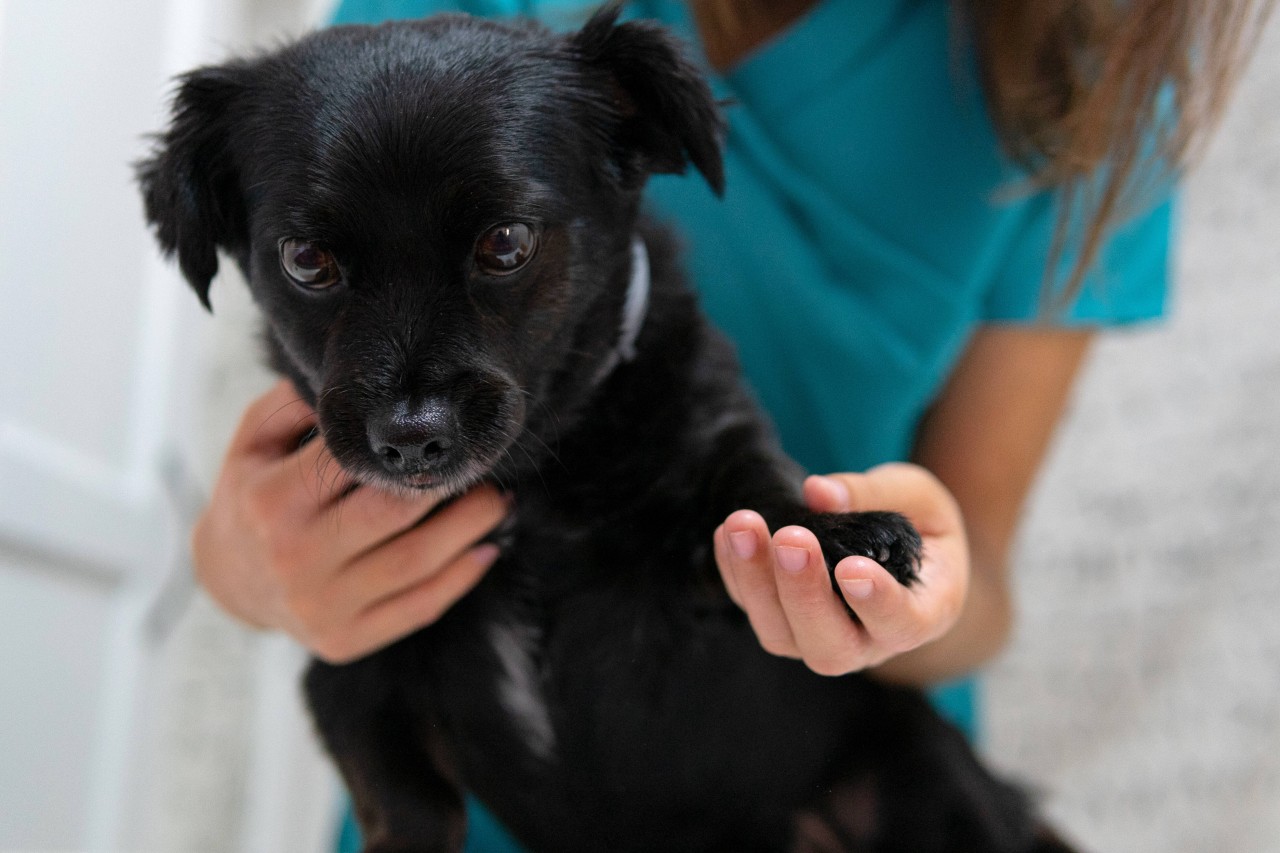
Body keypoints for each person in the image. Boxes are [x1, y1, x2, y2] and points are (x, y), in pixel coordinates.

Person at [190, 1, 1266, 849]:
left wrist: (921, 572)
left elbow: (975, 573)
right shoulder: (375, 68)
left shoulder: (1083, 76)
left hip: (848, 776)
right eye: (316, 263)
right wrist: (235, 563)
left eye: (504, 247)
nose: (415, 411)